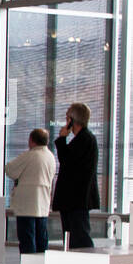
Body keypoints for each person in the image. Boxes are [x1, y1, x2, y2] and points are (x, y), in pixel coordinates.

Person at [4, 127, 57, 264]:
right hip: (43, 205)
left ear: (31, 140)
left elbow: (10, 170)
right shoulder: (50, 156)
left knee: (27, 241)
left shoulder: (30, 155)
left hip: (27, 205)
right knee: (41, 241)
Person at [53, 102, 99, 249]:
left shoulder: (85, 139)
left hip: (76, 199)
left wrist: (61, 139)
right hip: (74, 199)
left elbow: (67, 161)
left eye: (67, 118)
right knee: (72, 236)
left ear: (72, 120)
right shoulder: (84, 139)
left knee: (79, 236)